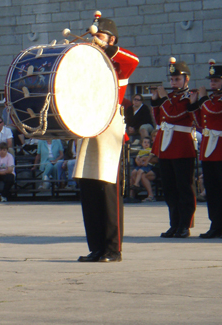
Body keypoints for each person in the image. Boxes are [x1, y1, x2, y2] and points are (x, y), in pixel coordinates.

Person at [74, 13, 139, 263]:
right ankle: (97, 247)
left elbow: (133, 60)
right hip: (88, 126)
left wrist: (104, 47)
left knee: (107, 191)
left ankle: (114, 248)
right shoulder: (89, 63)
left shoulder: (118, 63)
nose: (94, 40)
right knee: (89, 189)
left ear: (111, 39)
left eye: (99, 36)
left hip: (109, 126)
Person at [187, 60, 222, 238]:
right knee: (212, 188)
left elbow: (218, 112)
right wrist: (194, 104)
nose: (212, 84)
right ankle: (215, 224)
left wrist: (203, 99)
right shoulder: (212, 98)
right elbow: (201, 122)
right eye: (212, 81)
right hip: (208, 147)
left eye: (216, 81)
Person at [151, 57, 197, 238]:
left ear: (186, 79)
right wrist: (156, 101)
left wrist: (162, 98)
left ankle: (185, 224)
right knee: (170, 188)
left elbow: (173, 113)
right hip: (166, 146)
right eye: (171, 79)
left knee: (184, 187)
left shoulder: (188, 97)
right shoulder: (169, 97)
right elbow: (160, 118)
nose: (173, 82)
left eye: (177, 79)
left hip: (181, 146)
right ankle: (175, 223)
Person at [129, 137, 156, 202]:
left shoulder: (150, 150)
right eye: (145, 142)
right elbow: (137, 157)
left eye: (148, 142)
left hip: (148, 166)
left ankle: (137, 184)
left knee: (140, 172)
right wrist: (137, 161)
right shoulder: (141, 151)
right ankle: (134, 190)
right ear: (142, 144)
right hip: (141, 165)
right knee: (134, 172)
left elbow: (151, 155)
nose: (146, 144)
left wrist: (145, 160)